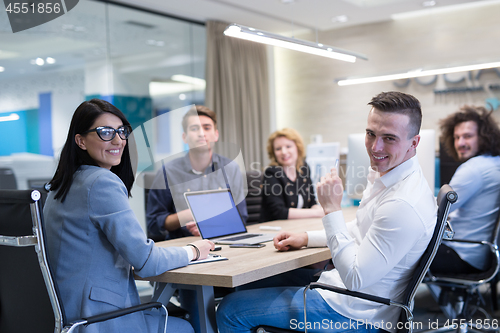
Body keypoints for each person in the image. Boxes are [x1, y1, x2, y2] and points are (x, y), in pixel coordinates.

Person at [216, 91, 437, 333]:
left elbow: (355, 278)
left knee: (230, 310)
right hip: (353, 297)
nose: (376, 147)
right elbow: (361, 229)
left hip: (357, 312)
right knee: (253, 284)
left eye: (389, 138)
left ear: (414, 143)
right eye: (370, 134)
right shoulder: (391, 177)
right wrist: (307, 238)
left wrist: (331, 208)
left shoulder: (402, 203)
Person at [44, 99, 214, 333]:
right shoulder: (101, 182)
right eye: (105, 132)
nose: (118, 140)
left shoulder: (60, 185)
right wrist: (194, 250)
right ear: (80, 141)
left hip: (65, 311)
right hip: (97, 317)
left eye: (122, 132)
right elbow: (147, 262)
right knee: (185, 328)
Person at [146, 105, 248, 241]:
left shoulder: (231, 168)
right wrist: (189, 215)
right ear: (185, 137)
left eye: (206, 128)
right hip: (182, 246)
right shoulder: (167, 172)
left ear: (216, 135)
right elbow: (153, 224)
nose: (201, 133)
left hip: (224, 241)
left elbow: (242, 215)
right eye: (194, 128)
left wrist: (210, 226)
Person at [430, 105, 500, 274]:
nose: (460, 143)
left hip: (462, 254)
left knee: (401, 253)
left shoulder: (473, 169)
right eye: (456, 137)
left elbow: (437, 211)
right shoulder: (495, 162)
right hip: (483, 254)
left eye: (467, 136)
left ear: (484, 137)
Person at [260, 128, 324, 222]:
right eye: (278, 149)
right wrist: (317, 213)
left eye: (288, 146)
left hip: (297, 225)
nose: (284, 152)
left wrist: (320, 209)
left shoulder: (304, 168)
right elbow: (279, 212)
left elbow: (311, 201)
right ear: (274, 153)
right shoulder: (271, 173)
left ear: (297, 147)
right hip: (274, 229)